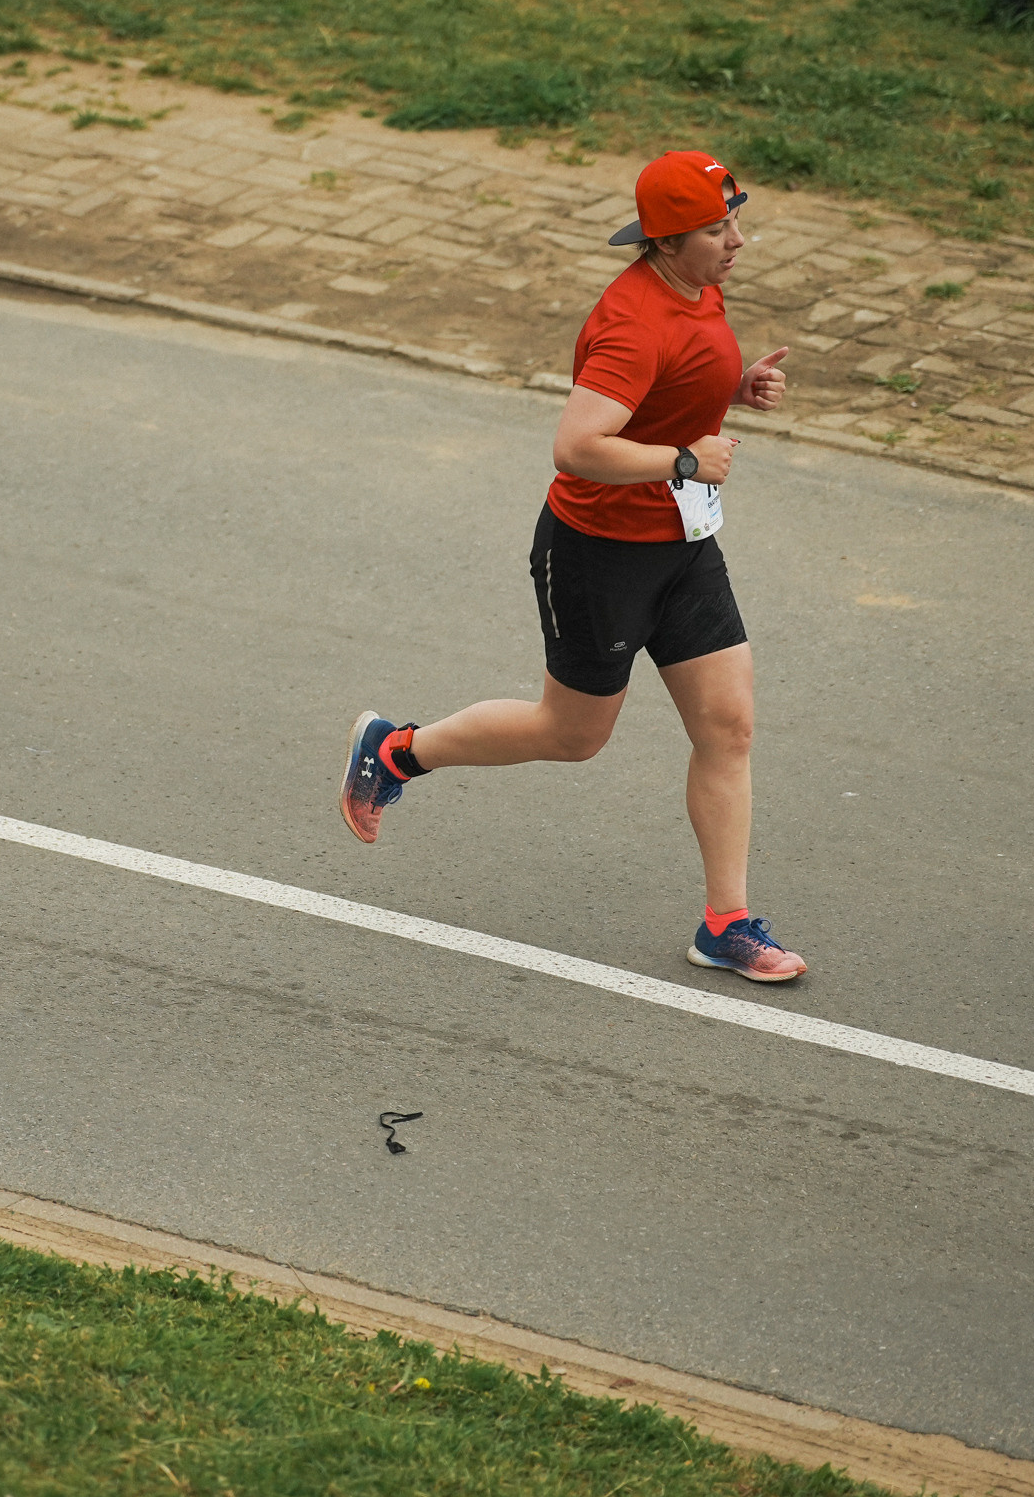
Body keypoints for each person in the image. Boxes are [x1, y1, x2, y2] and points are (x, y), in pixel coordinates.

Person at [337, 150, 806, 983]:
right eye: (716, 229)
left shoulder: (697, 284)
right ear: (666, 241)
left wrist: (730, 388)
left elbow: (669, 381)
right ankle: (398, 750)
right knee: (573, 734)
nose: (736, 240)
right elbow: (578, 445)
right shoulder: (633, 323)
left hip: (682, 545)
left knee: (728, 727)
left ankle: (726, 924)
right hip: (600, 554)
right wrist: (687, 460)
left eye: (735, 220)